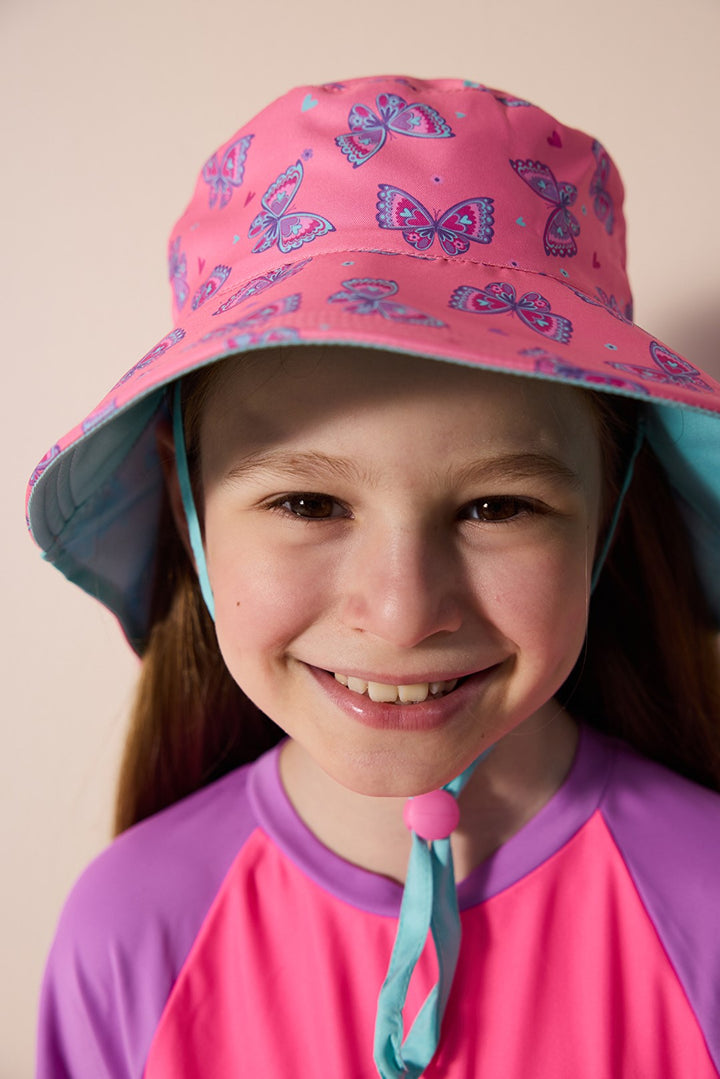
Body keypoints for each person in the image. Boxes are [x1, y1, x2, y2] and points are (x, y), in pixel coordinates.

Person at [27, 75, 720, 1078]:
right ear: (190, 508)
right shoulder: (131, 928)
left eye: (496, 506)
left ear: (607, 511)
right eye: (308, 504)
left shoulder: (705, 901)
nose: (401, 613)